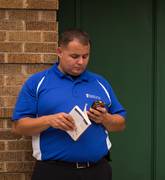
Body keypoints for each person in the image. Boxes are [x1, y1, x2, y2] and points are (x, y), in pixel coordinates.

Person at [11, 28, 127, 180]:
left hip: (97, 171)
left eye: (85, 56)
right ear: (59, 52)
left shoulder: (100, 83)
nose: (81, 62)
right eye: (74, 56)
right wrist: (49, 120)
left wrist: (105, 119)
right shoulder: (37, 82)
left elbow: (120, 124)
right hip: (53, 171)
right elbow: (18, 127)